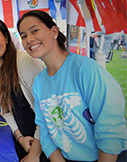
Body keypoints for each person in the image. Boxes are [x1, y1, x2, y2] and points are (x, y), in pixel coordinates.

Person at [17, 10, 127, 162]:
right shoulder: (39, 82)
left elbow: (111, 126)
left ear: (54, 31)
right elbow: (45, 128)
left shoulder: (85, 69)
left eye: (34, 30)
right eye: (23, 36)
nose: (29, 39)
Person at [0, 17, 47, 161]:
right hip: (22, 138)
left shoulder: (26, 62)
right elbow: (5, 109)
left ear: (6, 38)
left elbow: (45, 110)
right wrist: (19, 136)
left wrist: (35, 151)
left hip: (45, 139)